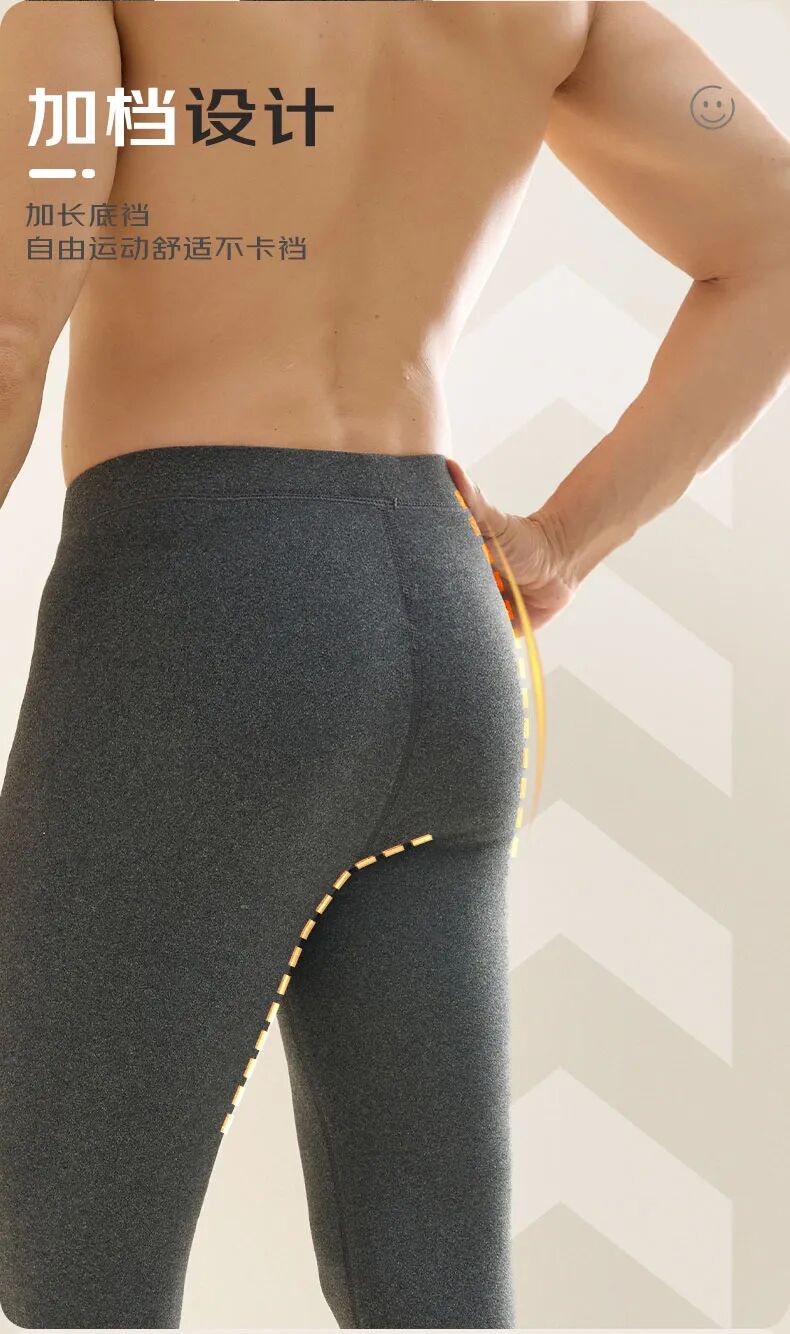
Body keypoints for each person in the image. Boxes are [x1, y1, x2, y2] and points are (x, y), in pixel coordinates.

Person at [0, 1, 788, 1328]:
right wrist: (558, 543)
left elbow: (11, 330)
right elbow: (773, 232)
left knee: (68, 1260)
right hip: (446, 631)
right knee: (429, 1289)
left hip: (194, 624)